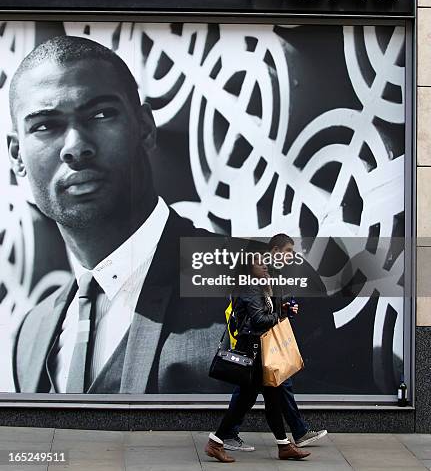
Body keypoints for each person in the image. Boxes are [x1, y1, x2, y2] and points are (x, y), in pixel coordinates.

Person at [8, 35, 226, 394]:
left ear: (145, 127)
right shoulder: (29, 335)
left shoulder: (265, 275)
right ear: (17, 155)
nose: (76, 147)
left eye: (100, 114)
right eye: (45, 125)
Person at [221, 234, 327, 451]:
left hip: (265, 340)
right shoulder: (255, 277)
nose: (291, 256)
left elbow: (268, 305)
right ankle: (224, 437)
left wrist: (284, 308)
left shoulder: (270, 273)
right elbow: (257, 313)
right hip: (256, 342)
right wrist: (280, 315)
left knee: (272, 389)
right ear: (276, 251)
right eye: (288, 251)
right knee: (254, 391)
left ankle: (291, 438)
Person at [205, 252, 311, 463]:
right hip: (254, 351)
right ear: (248, 268)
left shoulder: (259, 286)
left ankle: (283, 445)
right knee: (249, 399)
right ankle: (215, 442)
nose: (264, 267)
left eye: (265, 263)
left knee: (272, 398)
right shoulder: (249, 288)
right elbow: (260, 320)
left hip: (261, 351)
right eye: (259, 264)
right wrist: (282, 314)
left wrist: (285, 307)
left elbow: (268, 311)